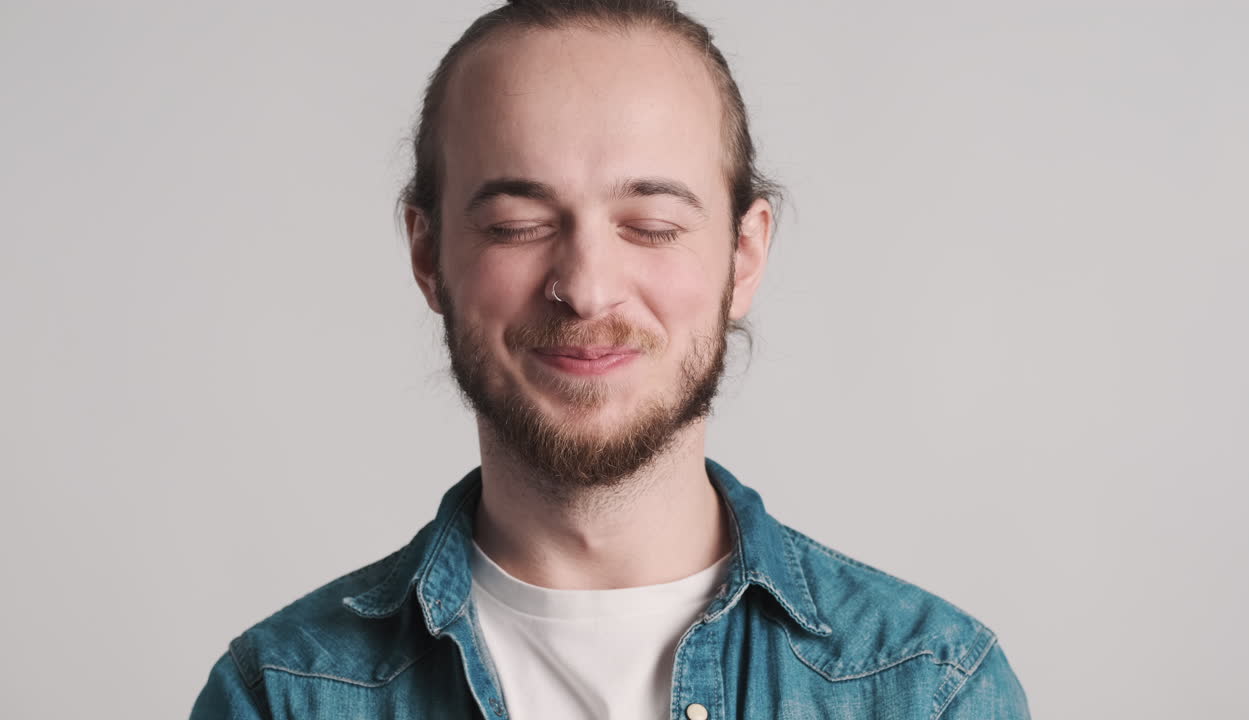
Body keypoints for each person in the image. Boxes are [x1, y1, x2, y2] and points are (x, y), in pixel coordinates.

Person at [191, 1, 1031, 718]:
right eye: (517, 227)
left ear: (743, 258)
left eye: (652, 227)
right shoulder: (282, 695)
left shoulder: (927, 690)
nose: (588, 290)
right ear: (427, 255)